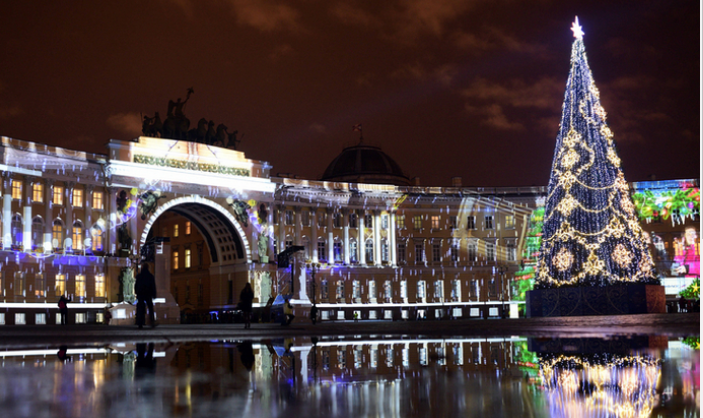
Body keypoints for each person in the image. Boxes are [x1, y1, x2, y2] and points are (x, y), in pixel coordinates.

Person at [135, 263, 157, 328]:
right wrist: (154, 294)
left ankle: (140, 322)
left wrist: (137, 292)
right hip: (148, 293)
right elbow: (153, 286)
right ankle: (152, 321)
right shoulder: (150, 276)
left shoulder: (139, 276)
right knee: (150, 308)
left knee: (140, 308)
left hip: (141, 294)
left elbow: (136, 285)